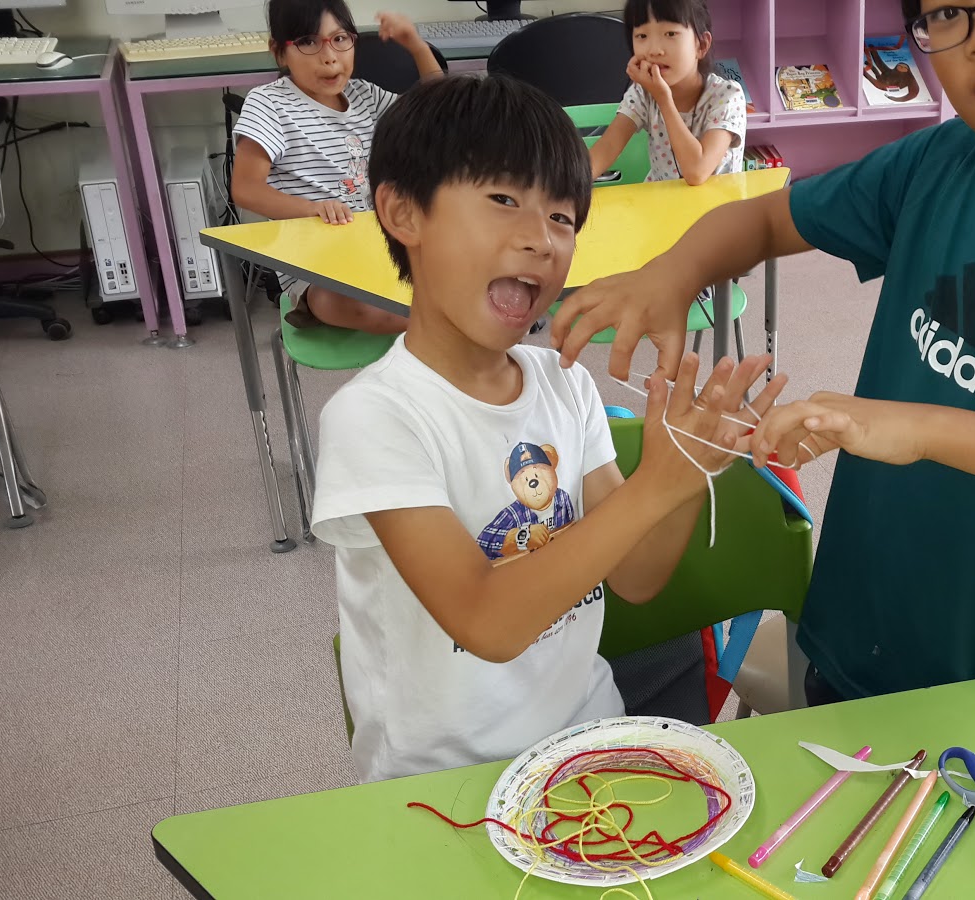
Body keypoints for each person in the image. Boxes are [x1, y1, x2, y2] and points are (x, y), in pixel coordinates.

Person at [551, 0, 975, 703]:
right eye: (950, 13)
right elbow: (767, 217)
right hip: (860, 626)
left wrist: (922, 427)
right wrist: (674, 273)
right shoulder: (941, 158)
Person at [310, 74, 784, 781]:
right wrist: (653, 489)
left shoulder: (563, 382)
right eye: (503, 201)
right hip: (443, 778)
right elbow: (488, 622)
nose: (540, 240)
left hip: (588, 739)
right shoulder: (374, 416)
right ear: (402, 213)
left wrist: (687, 468)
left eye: (563, 218)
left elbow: (638, 576)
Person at [232, 0, 439, 334]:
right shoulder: (269, 104)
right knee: (339, 301)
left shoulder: (365, 97)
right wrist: (313, 209)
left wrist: (415, 45)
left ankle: (445, 321)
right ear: (279, 52)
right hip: (317, 267)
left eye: (340, 39)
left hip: (382, 249)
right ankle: (445, 328)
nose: (329, 56)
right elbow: (246, 189)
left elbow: (437, 109)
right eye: (309, 42)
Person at [587, 0, 747, 186]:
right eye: (642, 35)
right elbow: (607, 147)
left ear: (701, 45)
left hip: (718, 209)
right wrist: (568, 187)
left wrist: (663, 99)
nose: (654, 50)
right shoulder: (643, 93)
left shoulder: (727, 96)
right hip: (662, 206)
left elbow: (697, 172)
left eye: (670, 34)